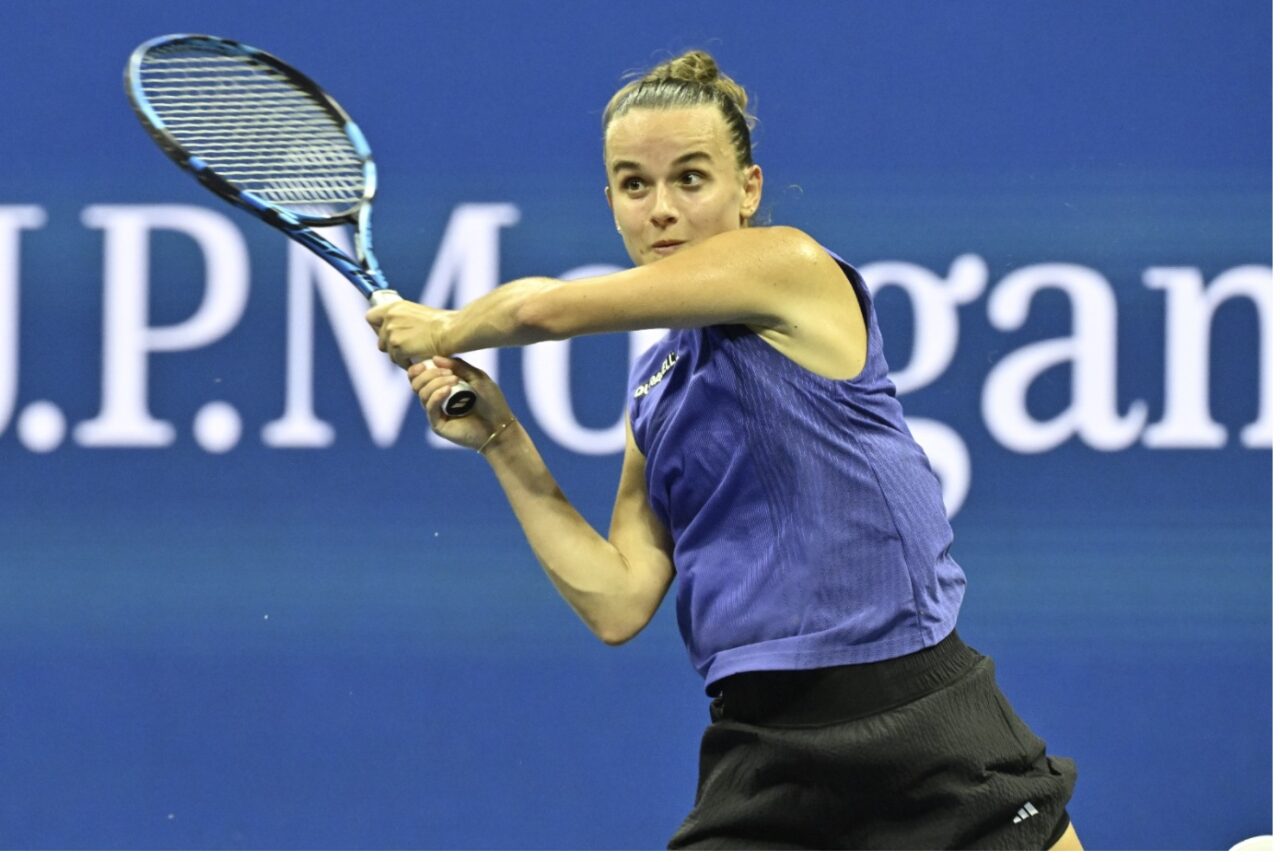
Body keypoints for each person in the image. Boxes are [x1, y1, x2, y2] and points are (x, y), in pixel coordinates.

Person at [366, 50, 1081, 851]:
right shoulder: (656, 384)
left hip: (921, 721)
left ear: (748, 189)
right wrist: (502, 439)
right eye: (635, 185)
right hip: (763, 752)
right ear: (611, 203)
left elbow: (541, 313)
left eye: (691, 178)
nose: (662, 210)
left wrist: (444, 327)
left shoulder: (790, 267)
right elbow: (618, 600)